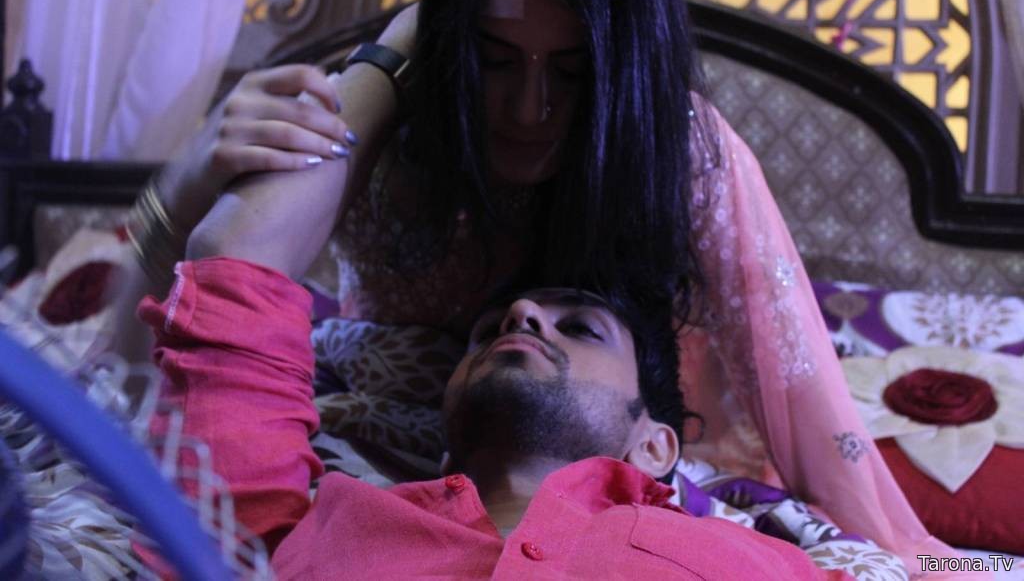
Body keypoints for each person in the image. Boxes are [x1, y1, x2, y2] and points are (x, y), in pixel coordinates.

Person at [118, 0, 959, 575]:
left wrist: (944, 565)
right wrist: (393, 60)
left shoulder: (684, 159)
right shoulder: (393, 117)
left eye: (573, 70)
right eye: (490, 58)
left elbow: (829, 449)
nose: (529, 110)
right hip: (382, 458)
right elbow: (226, 275)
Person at [139, 251, 850, 579]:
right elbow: (233, 311)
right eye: (490, 333)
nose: (524, 314)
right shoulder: (312, 530)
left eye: (582, 328)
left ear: (655, 447)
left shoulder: (762, 563)